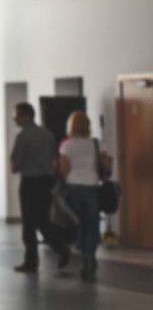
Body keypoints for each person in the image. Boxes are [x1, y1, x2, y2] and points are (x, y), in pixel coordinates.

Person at [10, 102, 71, 273]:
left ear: (26, 116)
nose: (15, 118)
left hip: (29, 183)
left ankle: (31, 261)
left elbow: (15, 165)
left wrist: (17, 164)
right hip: (46, 182)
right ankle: (60, 246)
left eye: (17, 115)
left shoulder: (22, 137)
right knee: (42, 220)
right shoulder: (48, 134)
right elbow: (54, 160)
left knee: (29, 223)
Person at [58, 111, 112, 280]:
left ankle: (84, 255)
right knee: (93, 222)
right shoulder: (96, 144)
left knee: (80, 222)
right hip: (91, 186)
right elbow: (105, 164)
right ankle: (90, 255)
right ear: (88, 125)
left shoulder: (66, 145)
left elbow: (64, 169)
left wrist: (69, 178)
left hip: (74, 186)